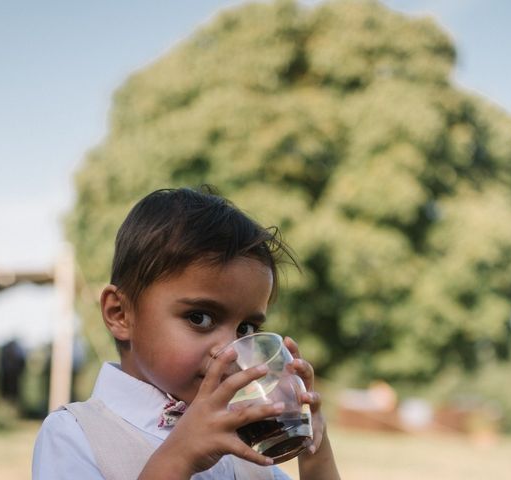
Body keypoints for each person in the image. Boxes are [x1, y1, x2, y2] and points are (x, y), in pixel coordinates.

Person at [32, 186, 340, 480]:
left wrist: (314, 449)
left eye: (246, 329)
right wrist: (178, 457)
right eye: (200, 318)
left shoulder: (244, 434)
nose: (231, 350)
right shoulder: (73, 433)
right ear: (120, 315)